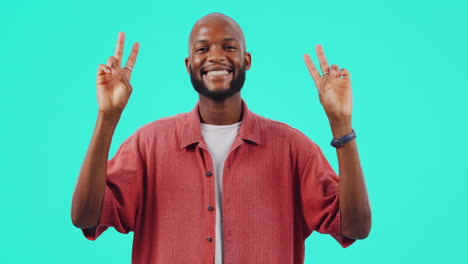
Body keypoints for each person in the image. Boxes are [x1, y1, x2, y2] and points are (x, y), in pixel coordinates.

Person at [71, 12, 371, 264]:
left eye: (229, 47)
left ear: (247, 60)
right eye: (202, 49)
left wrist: (341, 123)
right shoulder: (148, 144)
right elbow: (85, 217)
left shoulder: (292, 147)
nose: (216, 56)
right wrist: (107, 118)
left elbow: (355, 227)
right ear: (189, 65)